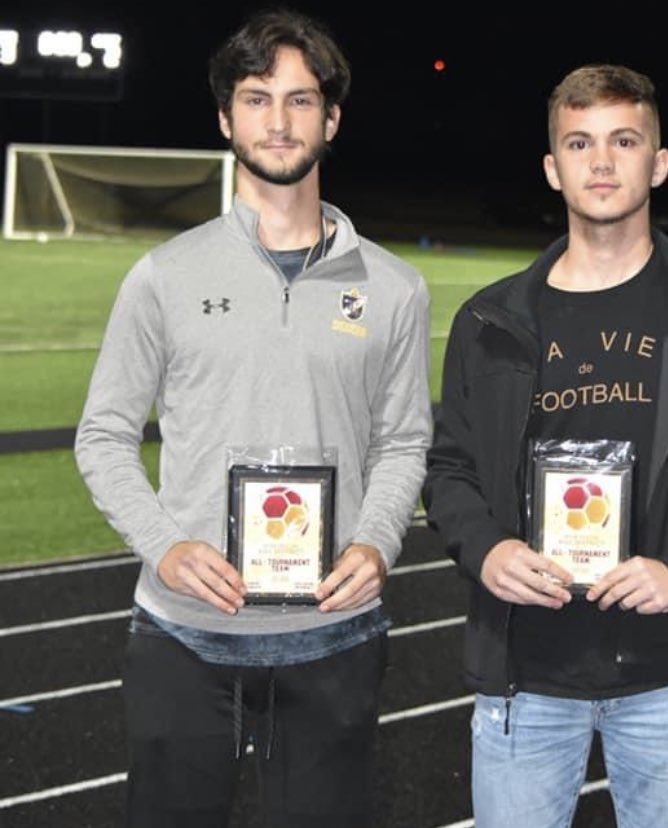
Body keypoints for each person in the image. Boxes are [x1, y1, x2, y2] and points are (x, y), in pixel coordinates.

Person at [422, 63, 668, 828]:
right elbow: (450, 470)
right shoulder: (489, 320)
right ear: (552, 167)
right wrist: (489, 551)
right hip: (525, 676)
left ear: (657, 163)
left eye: (623, 140)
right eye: (579, 143)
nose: (601, 162)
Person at [74, 8, 431, 827]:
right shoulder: (163, 276)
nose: (279, 120)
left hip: (333, 639)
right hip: (184, 641)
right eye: (257, 97)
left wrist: (377, 543)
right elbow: (103, 436)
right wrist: (164, 547)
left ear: (331, 119)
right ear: (226, 117)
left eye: (301, 100)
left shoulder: (394, 287)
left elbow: (406, 440)